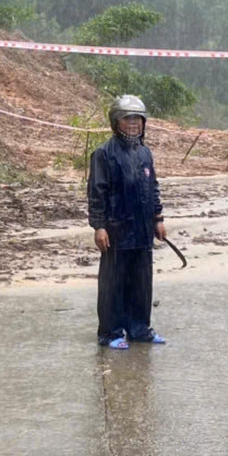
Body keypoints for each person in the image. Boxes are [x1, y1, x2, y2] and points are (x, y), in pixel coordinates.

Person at [88, 94, 167, 349]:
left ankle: (139, 329)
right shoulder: (103, 154)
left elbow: (153, 187)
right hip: (116, 230)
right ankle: (110, 332)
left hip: (142, 230)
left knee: (141, 282)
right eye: (127, 118)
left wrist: (158, 218)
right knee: (113, 283)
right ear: (116, 122)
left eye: (137, 119)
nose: (133, 123)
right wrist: (99, 226)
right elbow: (97, 192)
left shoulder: (145, 153)